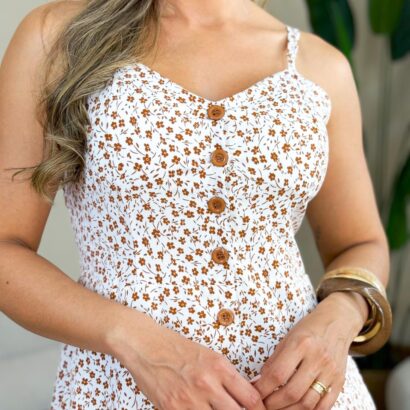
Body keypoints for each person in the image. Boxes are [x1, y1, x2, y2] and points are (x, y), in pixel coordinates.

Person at [0, 0, 391, 409]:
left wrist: (340, 318)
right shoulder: (58, 38)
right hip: (123, 390)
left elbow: (360, 242)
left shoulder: (319, 67)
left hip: (304, 395)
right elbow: (6, 248)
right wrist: (138, 342)